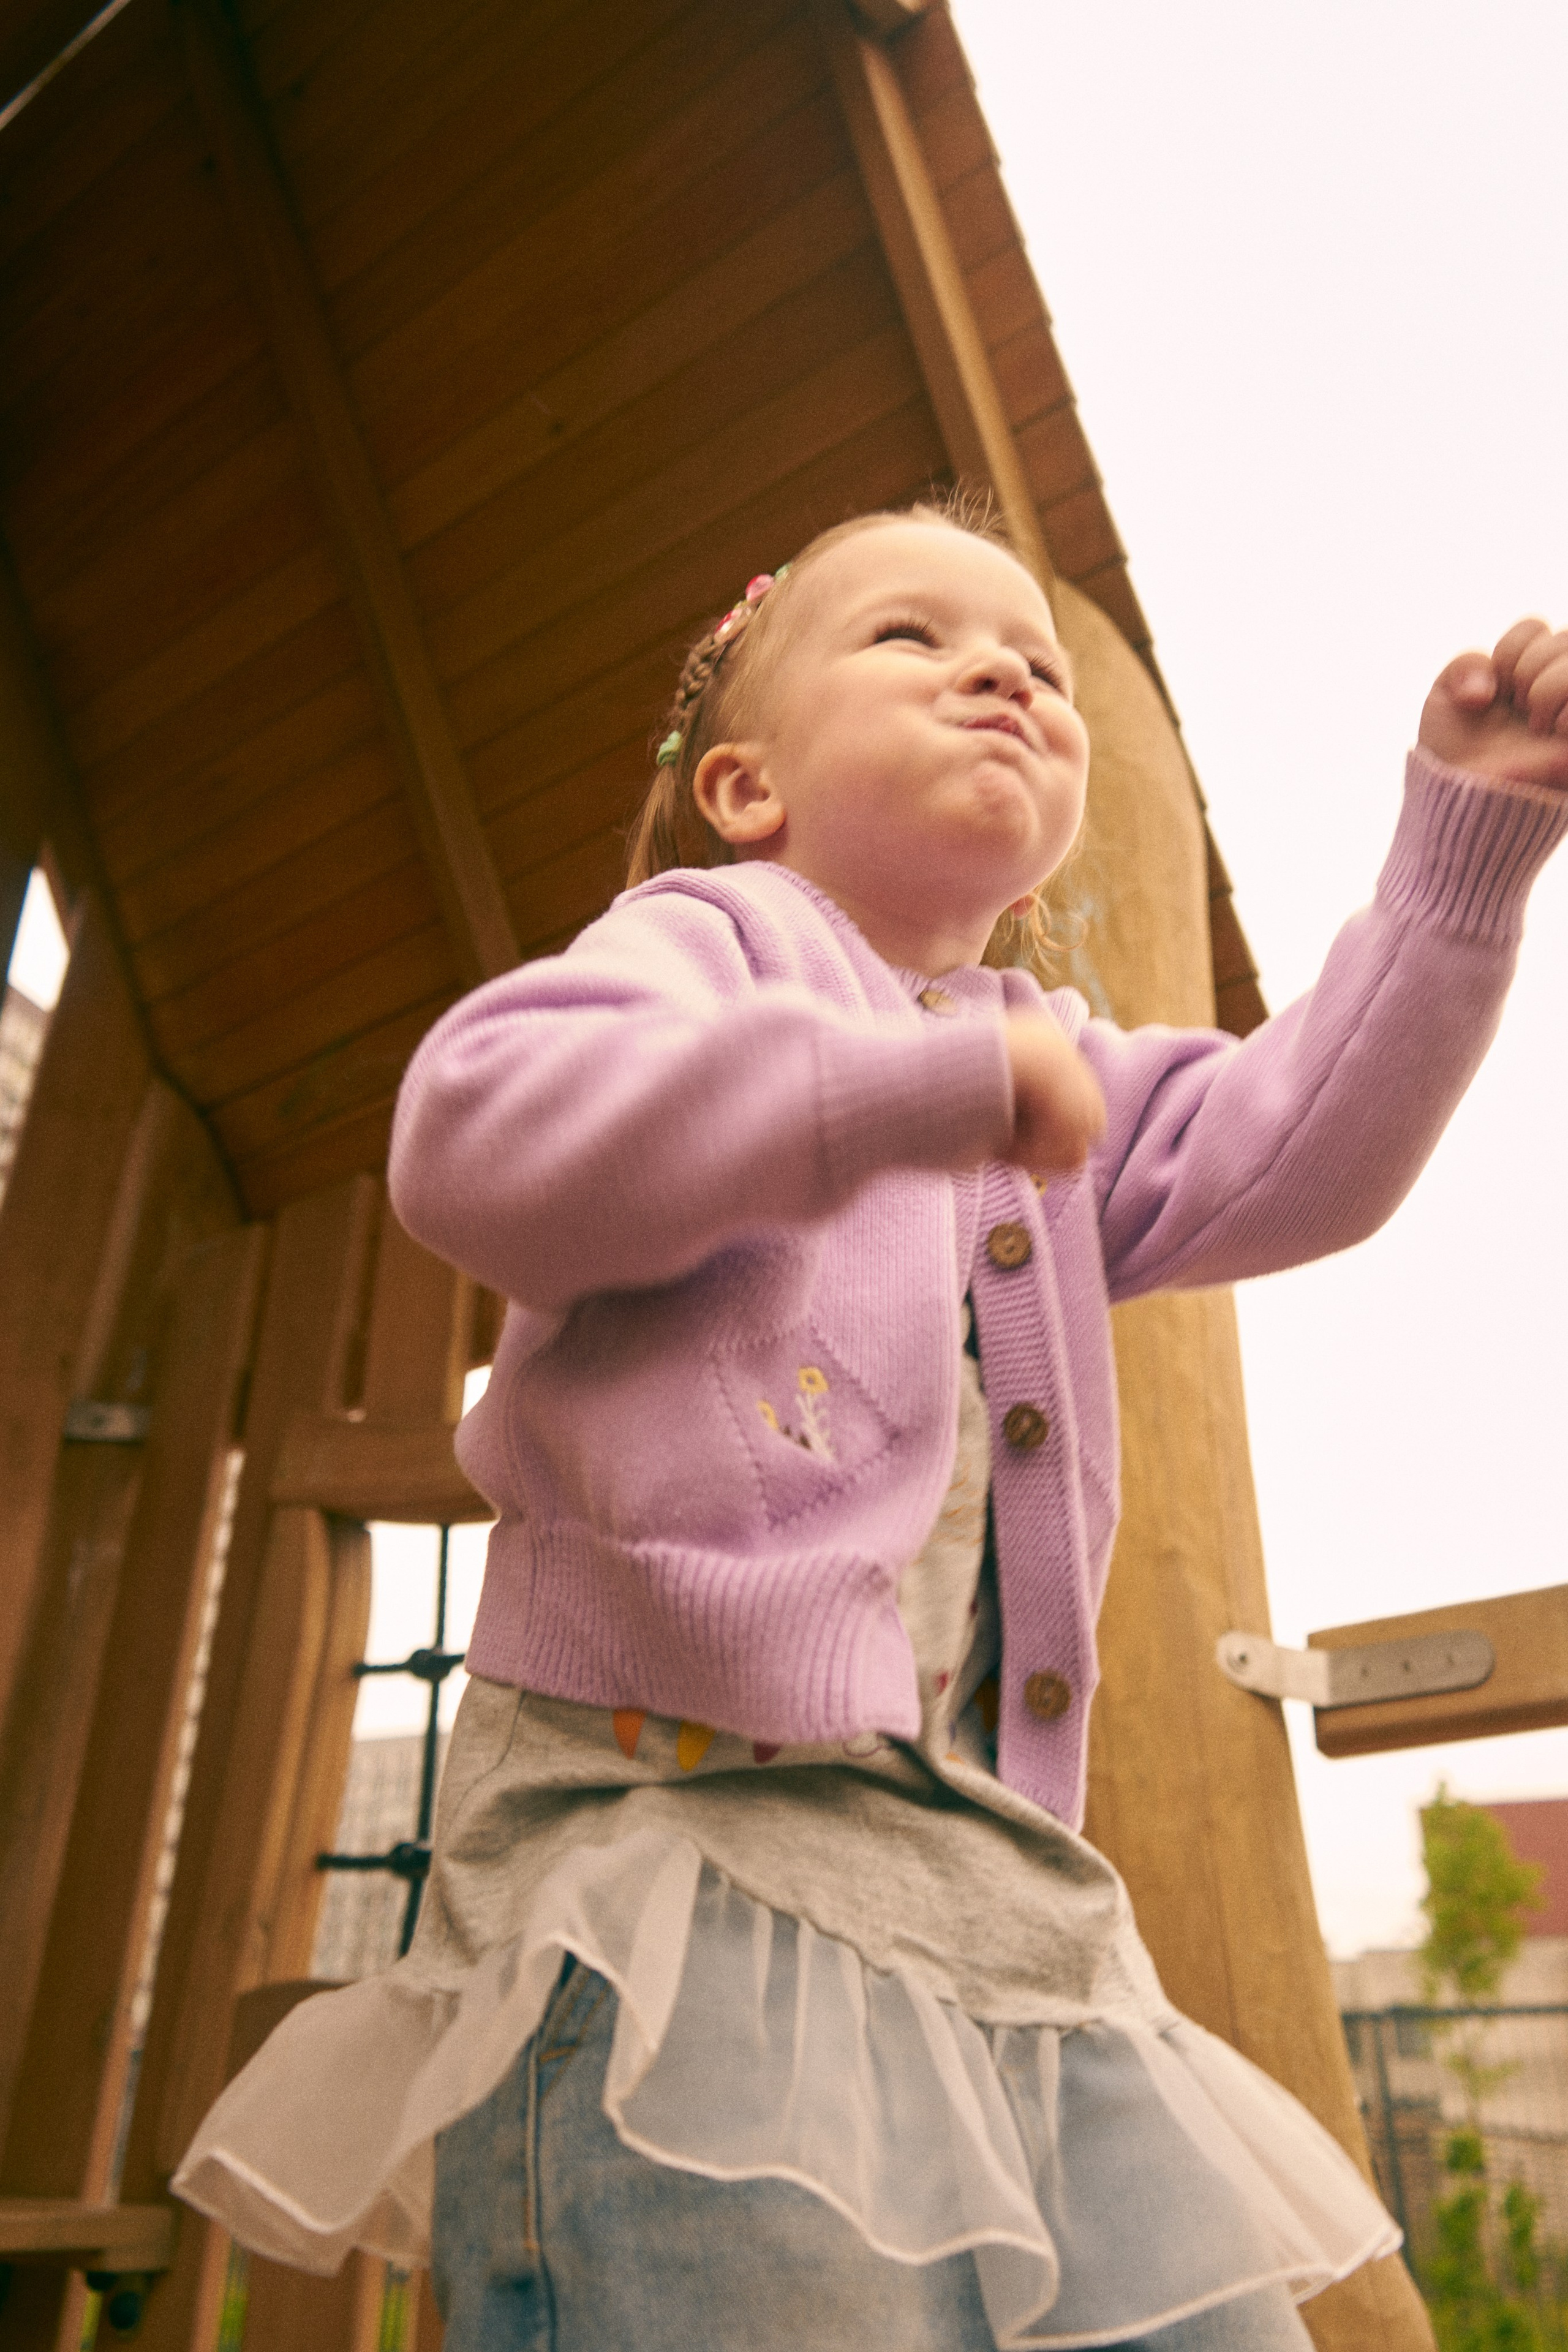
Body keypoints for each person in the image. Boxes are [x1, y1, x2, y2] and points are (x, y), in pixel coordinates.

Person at [175, 499, 1568, 2351]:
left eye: (1039, 664)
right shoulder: (708, 945)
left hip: (1005, 1908)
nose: (1000, 672)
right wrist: (909, 1087)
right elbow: (477, 1132)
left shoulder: (1044, 1064)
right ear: (745, 787)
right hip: (684, 1870)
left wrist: (1469, 847)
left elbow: (1301, 1144)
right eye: (912, 637)